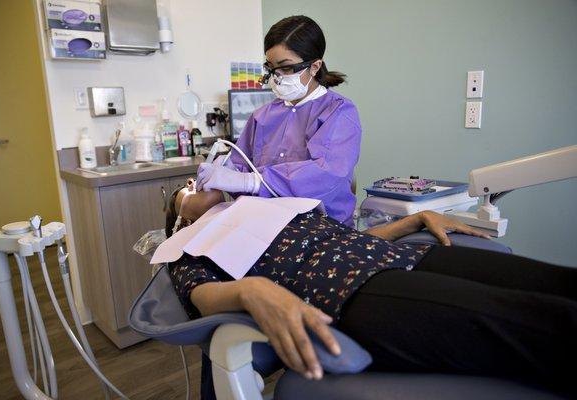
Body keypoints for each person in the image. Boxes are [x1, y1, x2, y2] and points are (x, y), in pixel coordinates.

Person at [168, 190, 577, 397]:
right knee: (539, 321)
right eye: (183, 189)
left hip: (405, 255)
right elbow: (202, 297)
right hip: (352, 289)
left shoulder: (268, 207)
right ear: (176, 219)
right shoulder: (186, 247)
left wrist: (413, 220)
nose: (197, 183)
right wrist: (251, 290)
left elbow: (347, 237)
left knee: (557, 282)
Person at [197, 16, 361, 226]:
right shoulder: (262, 116)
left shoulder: (338, 112)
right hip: (266, 225)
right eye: (271, 68)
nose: (277, 77)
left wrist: (252, 181)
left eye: (286, 68)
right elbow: (241, 166)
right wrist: (226, 170)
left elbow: (325, 175)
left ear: (314, 66)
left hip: (322, 228)